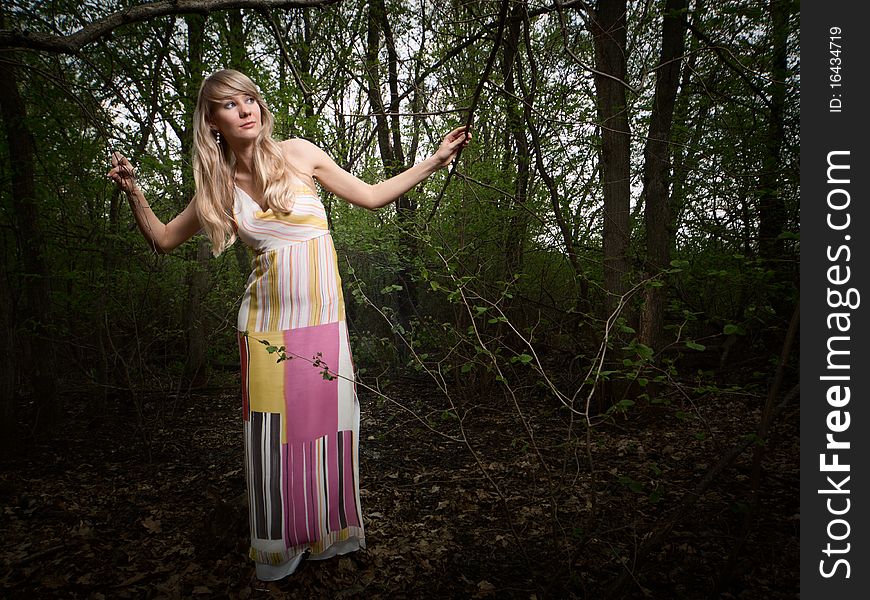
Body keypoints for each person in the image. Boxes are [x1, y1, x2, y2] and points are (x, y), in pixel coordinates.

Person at [108, 68, 470, 581]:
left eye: (249, 98)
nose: (245, 109)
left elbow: (370, 195)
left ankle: (326, 534)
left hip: (322, 322)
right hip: (264, 330)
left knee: (329, 431)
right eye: (230, 105)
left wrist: (432, 161)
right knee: (271, 441)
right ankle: (279, 547)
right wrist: (133, 191)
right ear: (212, 121)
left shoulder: (300, 154)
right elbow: (165, 240)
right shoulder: (216, 185)